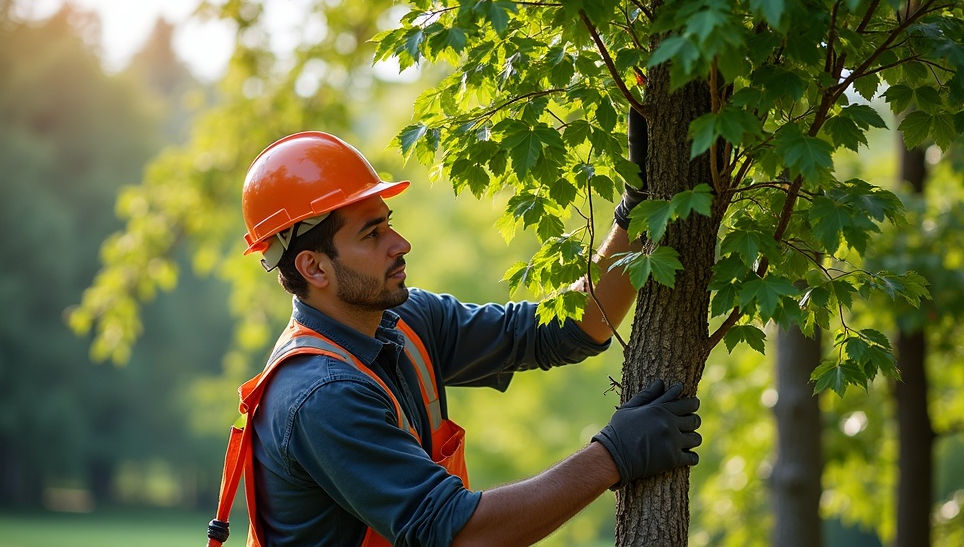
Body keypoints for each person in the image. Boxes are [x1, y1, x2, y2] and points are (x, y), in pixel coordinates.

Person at [207, 113, 702, 547]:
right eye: (372, 233)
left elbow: (567, 327)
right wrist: (611, 457)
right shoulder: (320, 396)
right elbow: (462, 534)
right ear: (314, 268)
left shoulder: (405, 322)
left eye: (388, 223)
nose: (400, 243)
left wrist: (636, 210)